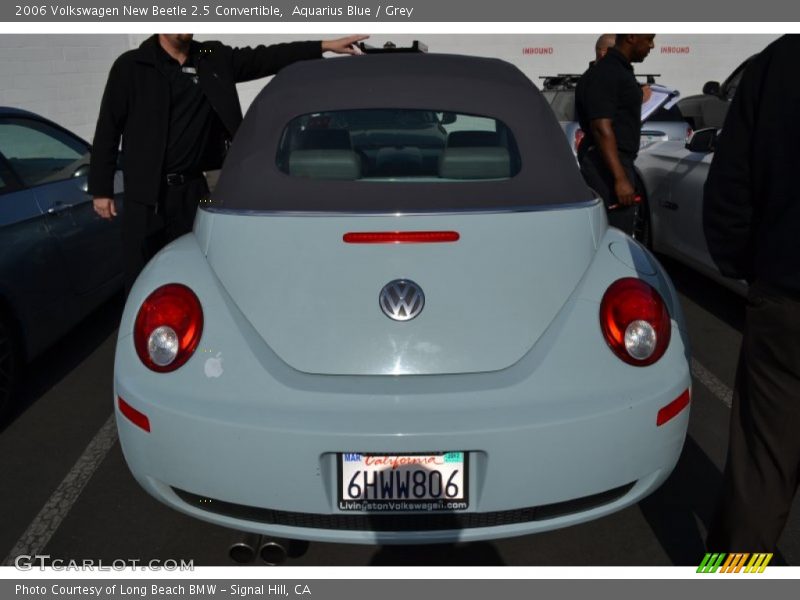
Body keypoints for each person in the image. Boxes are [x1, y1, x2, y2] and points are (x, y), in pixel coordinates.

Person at [89, 33, 367, 293]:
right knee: (141, 279)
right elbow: (108, 129)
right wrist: (101, 188)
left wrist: (323, 46)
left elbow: (265, 57)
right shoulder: (131, 66)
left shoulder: (210, 56)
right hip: (145, 197)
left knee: (195, 275)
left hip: (194, 191)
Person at [704, 34, 800, 553]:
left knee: (760, 474)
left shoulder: (780, 61)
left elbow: (731, 181)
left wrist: (747, 267)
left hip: (786, 295)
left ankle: (729, 580)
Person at [575, 34, 655, 235]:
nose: (652, 45)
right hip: (607, 167)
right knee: (614, 236)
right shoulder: (607, 72)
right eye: (648, 39)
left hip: (614, 162)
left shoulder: (620, 70)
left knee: (619, 231)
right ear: (631, 37)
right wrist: (620, 178)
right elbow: (601, 127)